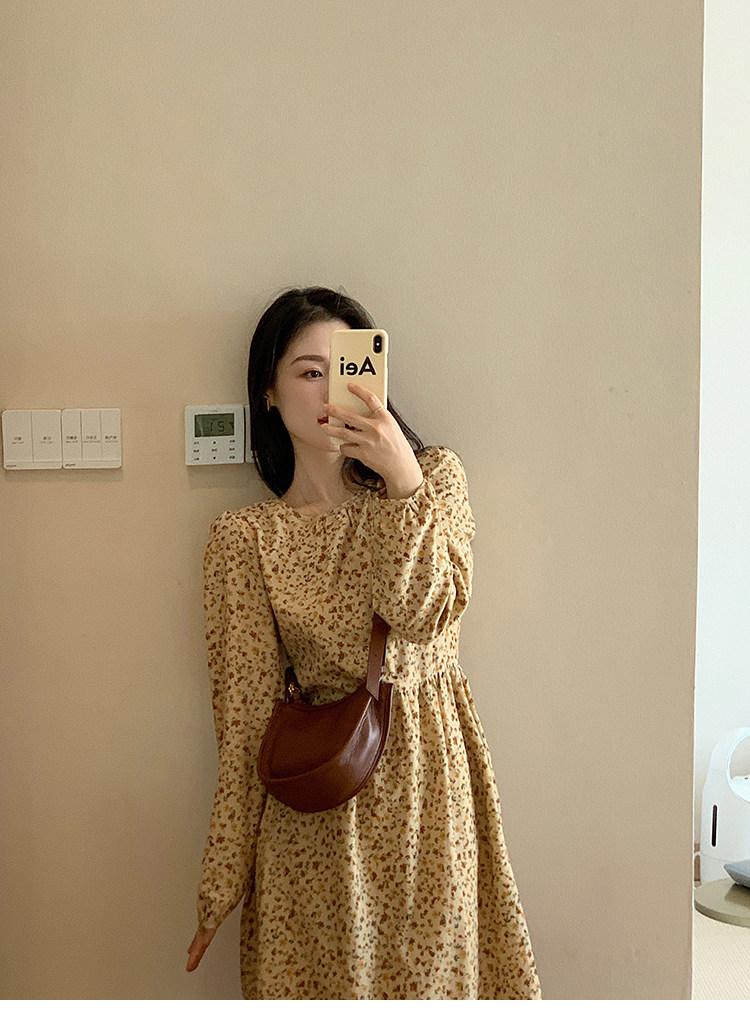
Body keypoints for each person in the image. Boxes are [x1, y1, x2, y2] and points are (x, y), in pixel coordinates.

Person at [186, 286, 541, 1000]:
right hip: (313, 821)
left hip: (427, 801)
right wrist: (220, 886)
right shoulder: (246, 539)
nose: (329, 391)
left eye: (347, 368)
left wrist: (401, 477)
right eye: (308, 371)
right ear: (268, 393)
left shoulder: (433, 481)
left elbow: (426, 612)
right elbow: (245, 719)